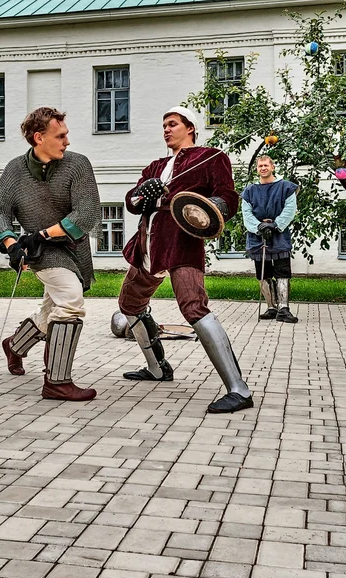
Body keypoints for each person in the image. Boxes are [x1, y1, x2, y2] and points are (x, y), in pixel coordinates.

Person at [118, 106, 253, 414]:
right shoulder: (156, 165)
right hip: (148, 242)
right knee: (129, 303)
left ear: (190, 127)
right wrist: (142, 193)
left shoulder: (211, 157)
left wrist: (206, 208)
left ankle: (238, 389)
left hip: (181, 240)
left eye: (172, 124)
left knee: (193, 306)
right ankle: (156, 368)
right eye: (163, 125)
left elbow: (228, 197)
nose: (166, 130)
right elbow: (131, 202)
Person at [0, 107, 101, 401]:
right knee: (69, 301)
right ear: (39, 137)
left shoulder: (78, 164)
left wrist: (42, 233)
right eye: (61, 135)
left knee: (50, 309)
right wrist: (11, 245)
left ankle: (15, 346)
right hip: (43, 254)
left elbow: (88, 213)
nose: (67, 141)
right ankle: (57, 382)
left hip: (72, 247)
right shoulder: (15, 170)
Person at [242, 155, 299, 323]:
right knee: (263, 273)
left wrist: (275, 225)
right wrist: (259, 227)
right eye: (260, 166)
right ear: (257, 169)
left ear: (272, 167)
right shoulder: (249, 191)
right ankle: (271, 307)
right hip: (257, 236)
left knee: (282, 271)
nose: (263, 168)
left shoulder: (286, 188)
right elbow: (247, 213)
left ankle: (283, 309)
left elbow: (290, 210)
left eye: (266, 165)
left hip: (279, 235)